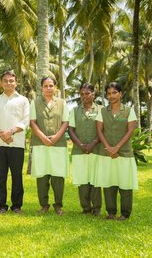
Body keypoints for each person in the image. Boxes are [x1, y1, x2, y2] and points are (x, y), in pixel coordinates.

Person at [95, 82, 138, 220]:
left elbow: (130, 130)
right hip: (106, 153)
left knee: (125, 183)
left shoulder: (128, 111)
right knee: (108, 182)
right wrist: (109, 148)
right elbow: (99, 131)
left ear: (121, 94)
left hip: (124, 153)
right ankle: (111, 212)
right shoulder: (102, 112)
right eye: (109, 93)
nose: (111, 96)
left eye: (114, 92)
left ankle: (125, 213)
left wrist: (117, 148)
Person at [0, 71, 29, 214]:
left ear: (16, 83)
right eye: (5, 81)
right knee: (1, 177)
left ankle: (17, 206)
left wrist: (10, 132)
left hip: (17, 144)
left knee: (16, 176)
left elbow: (25, 121)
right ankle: (1, 206)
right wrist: (2, 134)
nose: (8, 83)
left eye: (11, 81)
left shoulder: (23, 100)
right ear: (1, 83)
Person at [30, 77, 69, 215]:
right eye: (45, 86)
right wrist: (43, 138)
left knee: (58, 176)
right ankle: (44, 205)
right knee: (42, 175)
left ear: (55, 87)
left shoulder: (62, 103)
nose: (48, 88)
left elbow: (65, 122)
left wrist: (57, 136)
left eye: (51, 85)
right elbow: (32, 122)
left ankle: (58, 205)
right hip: (40, 144)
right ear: (41, 87)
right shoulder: (34, 103)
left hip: (58, 145)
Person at [68, 83, 102, 216]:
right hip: (79, 151)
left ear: (94, 94)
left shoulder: (101, 110)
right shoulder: (75, 111)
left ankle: (97, 209)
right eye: (81, 94)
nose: (84, 96)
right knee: (82, 179)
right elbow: (71, 129)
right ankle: (86, 208)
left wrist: (93, 144)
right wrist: (81, 145)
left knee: (95, 179)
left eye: (87, 93)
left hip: (96, 149)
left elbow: (102, 129)